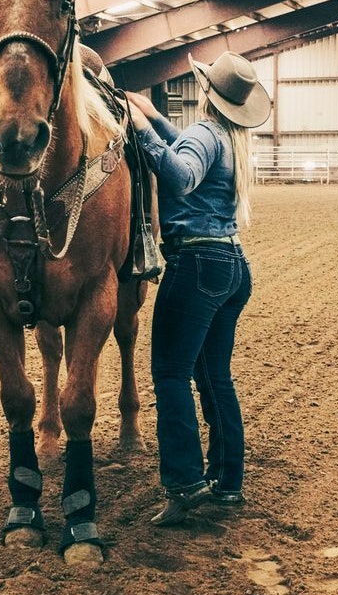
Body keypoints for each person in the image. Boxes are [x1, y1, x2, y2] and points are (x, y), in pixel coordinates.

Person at [124, 51, 269, 526]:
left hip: (197, 264)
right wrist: (156, 118)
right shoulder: (228, 136)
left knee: (169, 373)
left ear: (206, 91)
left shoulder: (207, 134)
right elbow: (186, 145)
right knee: (214, 377)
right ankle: (228, 483)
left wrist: (140, 130)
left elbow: (181, 175)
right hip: (230, 264)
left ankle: (185, 482)